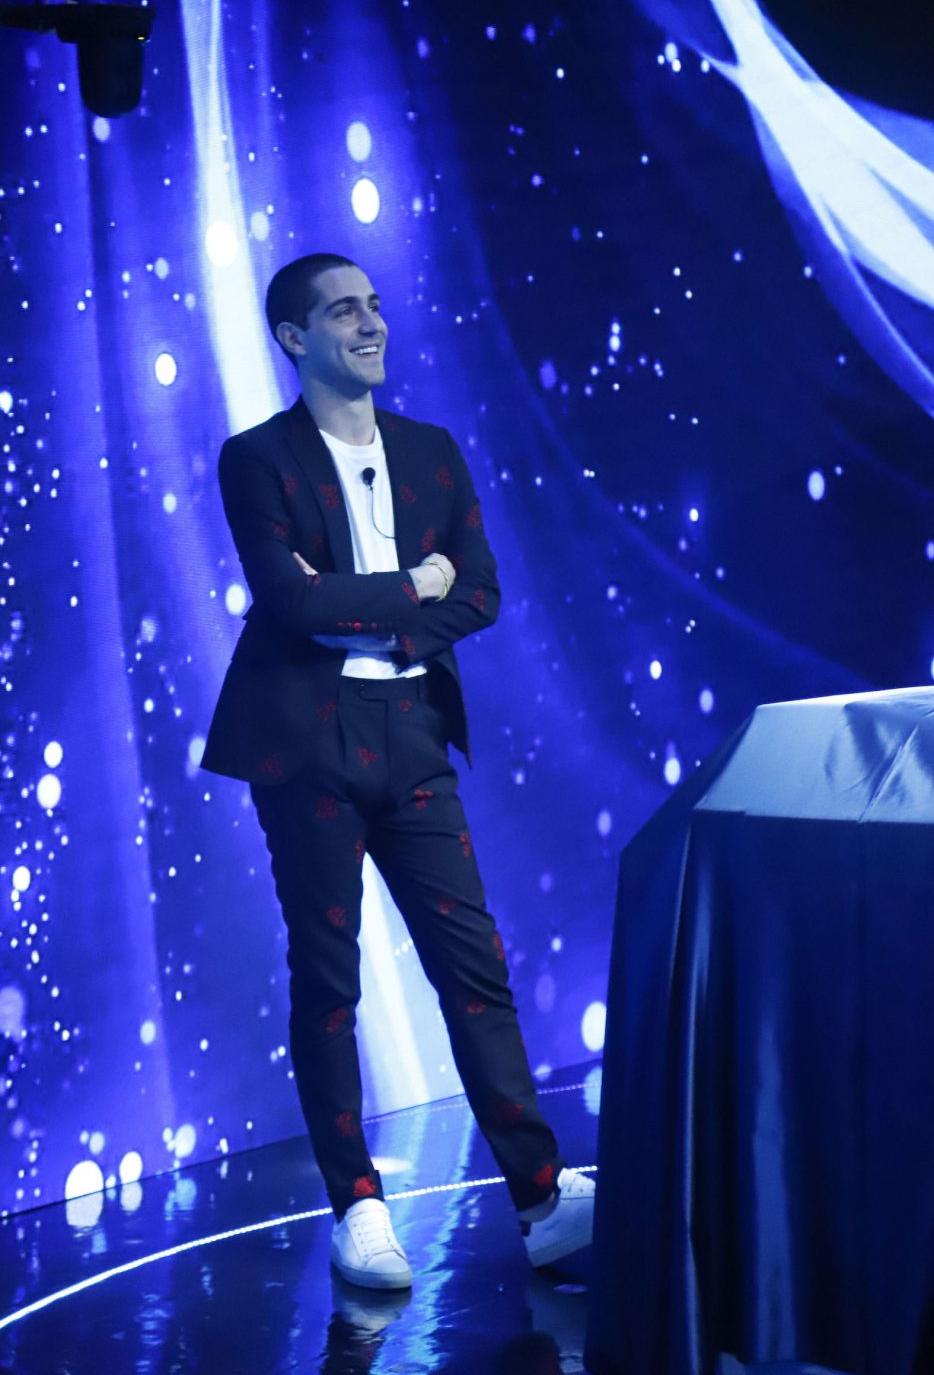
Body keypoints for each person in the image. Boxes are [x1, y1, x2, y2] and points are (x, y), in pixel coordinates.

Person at [201, 252, 594, 1289]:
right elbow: (291, 603)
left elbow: (482, 591)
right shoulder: (257, 459)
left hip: (412, 727)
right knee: (330, 979)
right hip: (307, 741)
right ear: (295, 338)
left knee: (473, 967)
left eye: (373, 306)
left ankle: (542, 1196)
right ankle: (359, 1207)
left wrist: (377, 606)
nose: (370, 323)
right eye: (344, 311)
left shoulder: (429, 450)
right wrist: (414, 583)